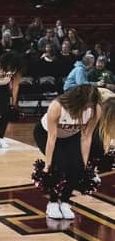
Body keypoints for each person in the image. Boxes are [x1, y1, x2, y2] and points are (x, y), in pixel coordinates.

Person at [34, 84, 101, 221]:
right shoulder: (57, 106)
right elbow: (51, 138)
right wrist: (48, 165)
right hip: (46, 134)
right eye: (86, 105)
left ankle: (65, 202)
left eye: (90, 105)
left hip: (71, 136)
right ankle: (52, 203)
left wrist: (83, 164)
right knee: (58, 165)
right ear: (78, 100)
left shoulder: (95, 110)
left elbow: (86, 137)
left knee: (76, 167)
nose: (88, 108)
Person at [0, 51, 22, 150]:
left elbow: (15, 85)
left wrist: (14, 103)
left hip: (4, 85)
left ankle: (1, 137)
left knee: (6, 111)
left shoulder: (17, 67)